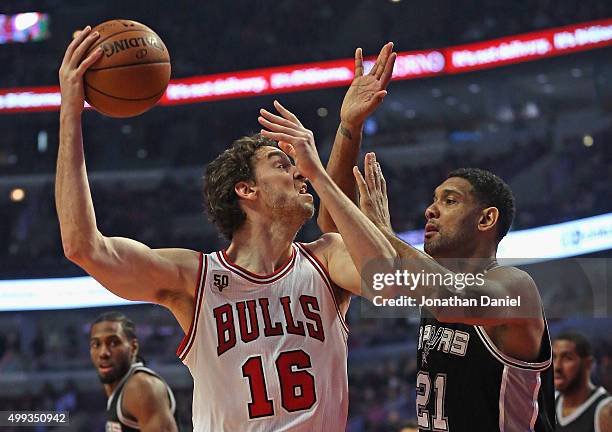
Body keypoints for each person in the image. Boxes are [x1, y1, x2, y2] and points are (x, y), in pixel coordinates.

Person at [56, 26, 396, 431]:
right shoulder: (194, 278)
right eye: (282, 164)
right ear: (246, 189)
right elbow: (83, 246)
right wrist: (70, 112)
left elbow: (390, 280)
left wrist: (327, 160)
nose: (300, 172)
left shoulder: (325, 259)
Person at [258, 111, 556, 429]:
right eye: (434, 200)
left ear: (485, 219)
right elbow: (334, 229)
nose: (430, 209)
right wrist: (350, 128)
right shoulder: (427, 282)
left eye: (450, 201)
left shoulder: (515, 286)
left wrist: (383, 233)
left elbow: (451, 298)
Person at [89, 311, 179, 431]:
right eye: (96, 344)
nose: (103, 353)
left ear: (133, 347)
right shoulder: (120, 388)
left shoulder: (142, 386)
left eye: (113, 343)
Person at [553, 332, 612, 432]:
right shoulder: (547, 403)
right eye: (554, 357)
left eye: (567, 358)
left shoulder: (605, 411)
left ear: (588, 363)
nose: (557, 366)